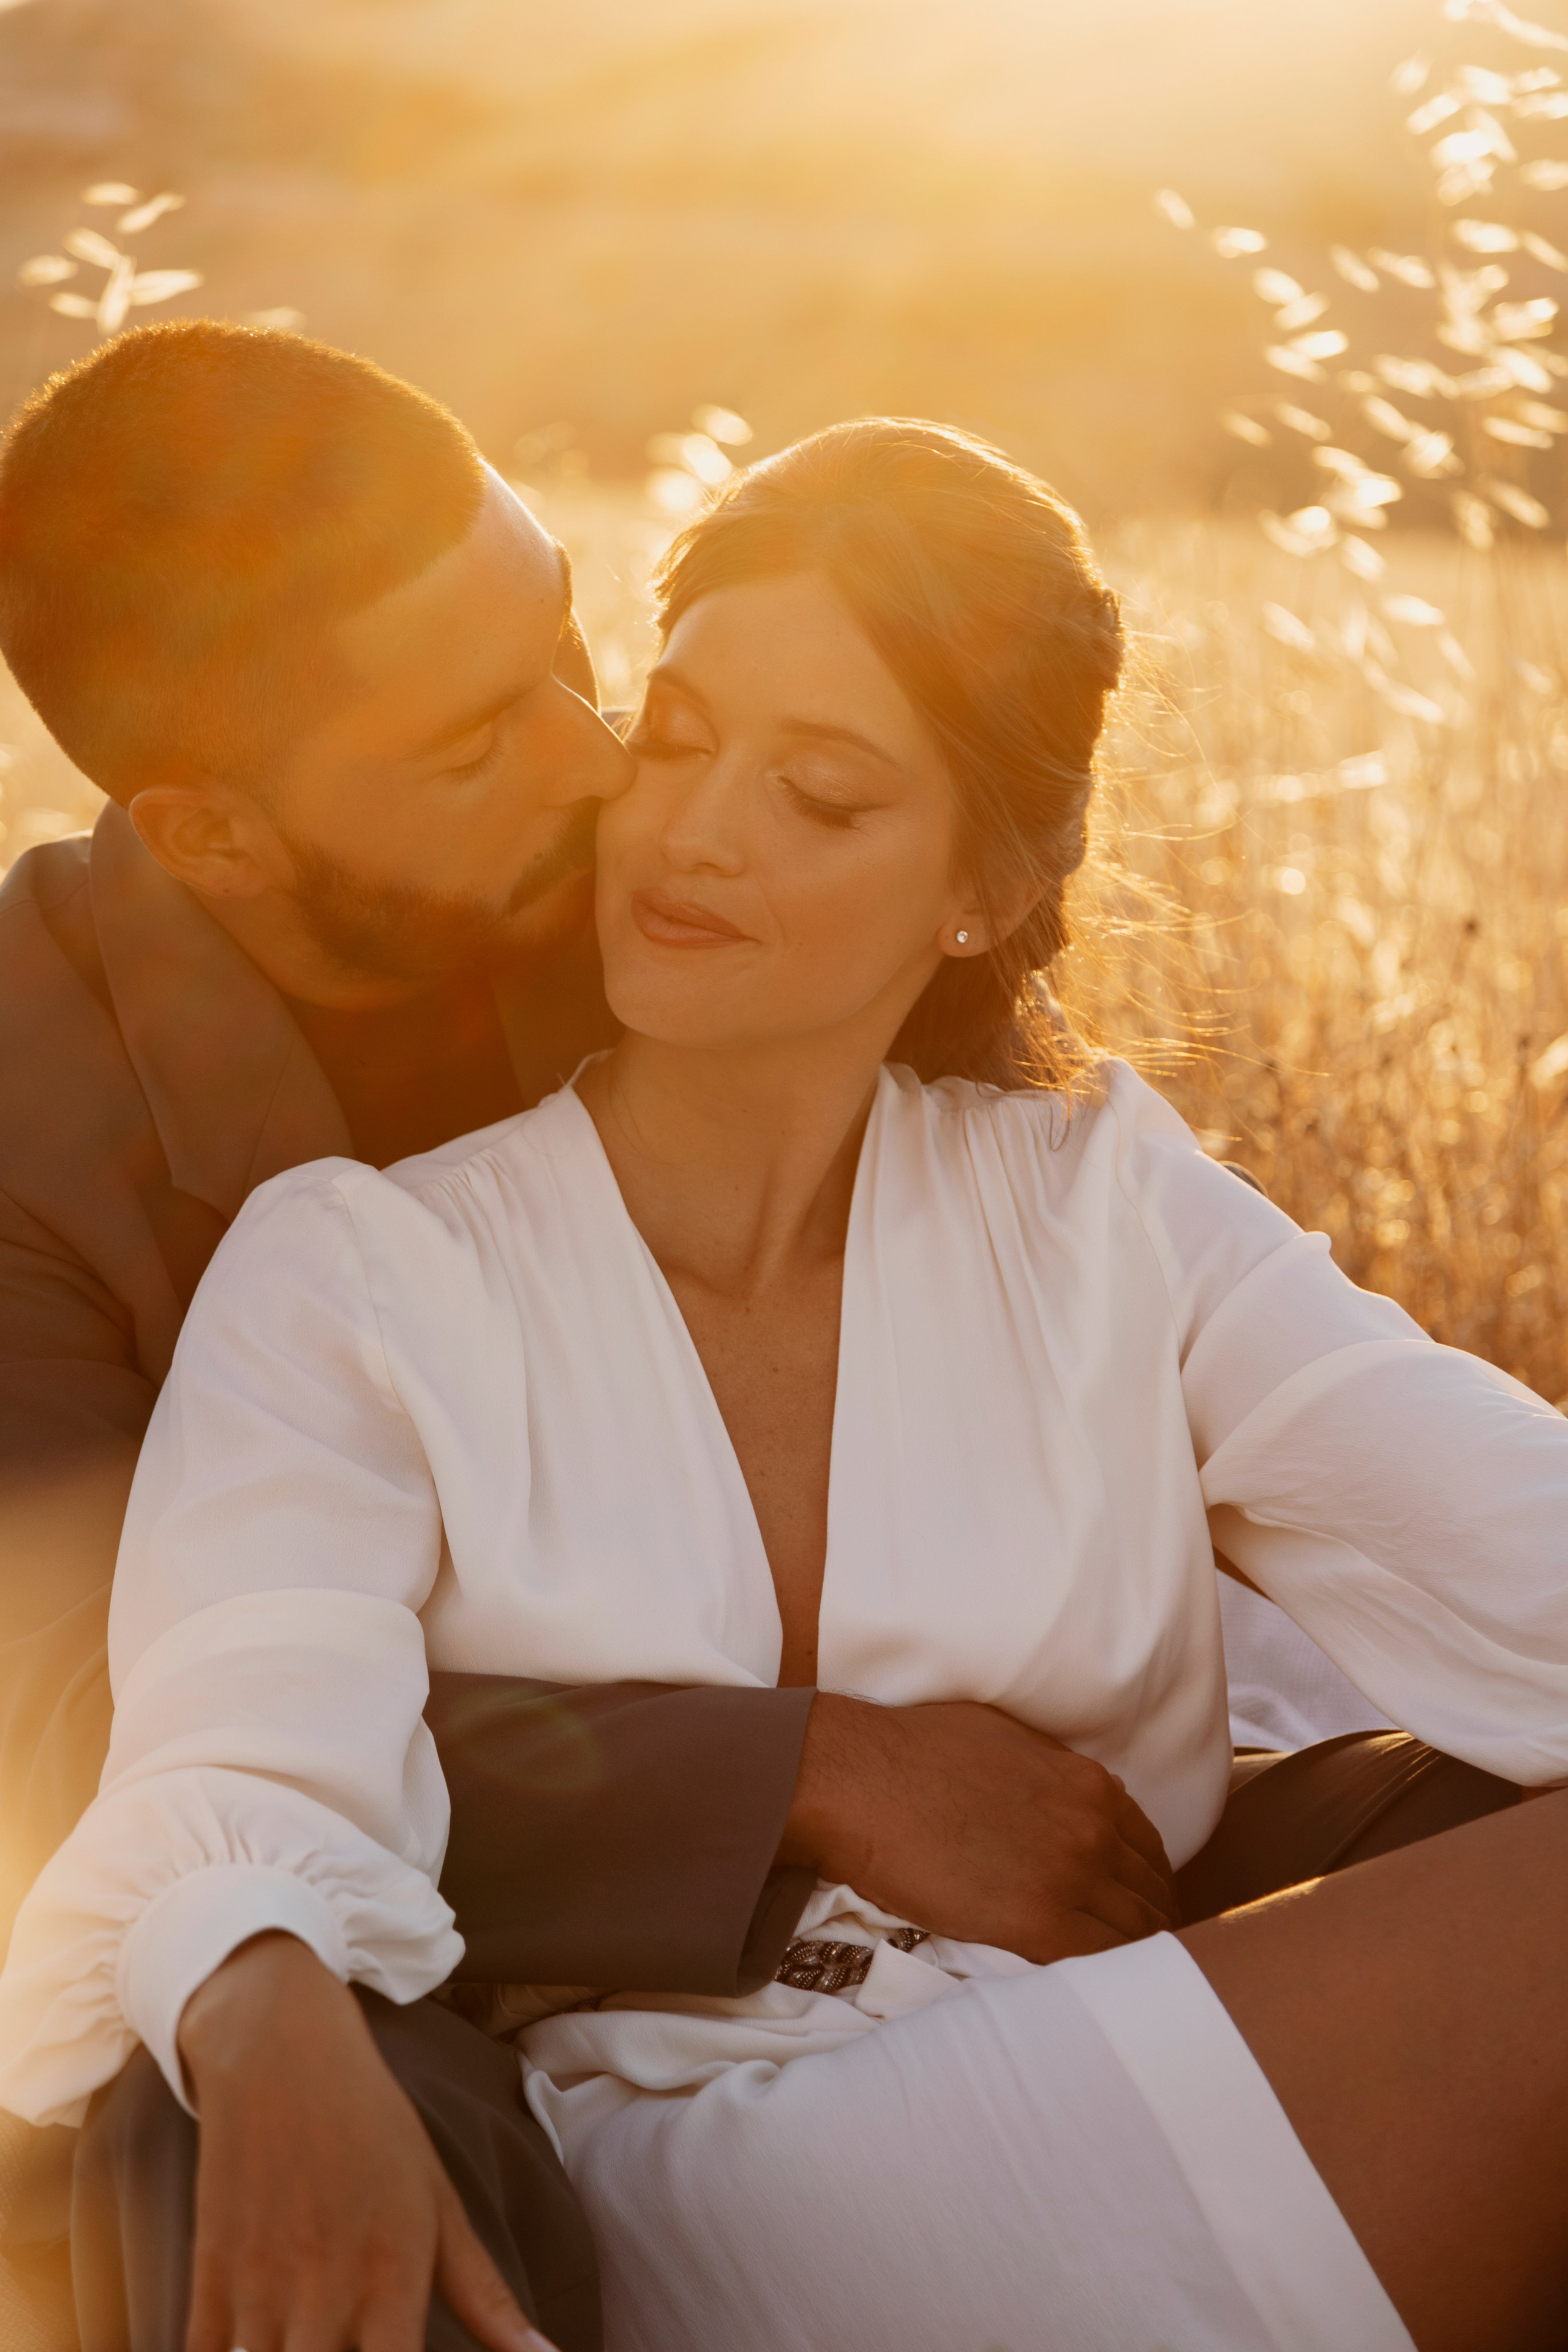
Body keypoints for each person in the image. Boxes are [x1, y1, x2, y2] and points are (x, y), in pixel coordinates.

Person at [2, 415, 1564, 2352]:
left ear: (977, 891)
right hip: (659, 2170)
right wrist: (258, 1989)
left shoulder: (1109, 1210)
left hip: (1108, 2061)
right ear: (216, 827)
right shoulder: (347, 1258)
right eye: (682, 735)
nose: (664, 817)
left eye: (819, 791)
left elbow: (1526, 1554)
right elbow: (202, 1732)